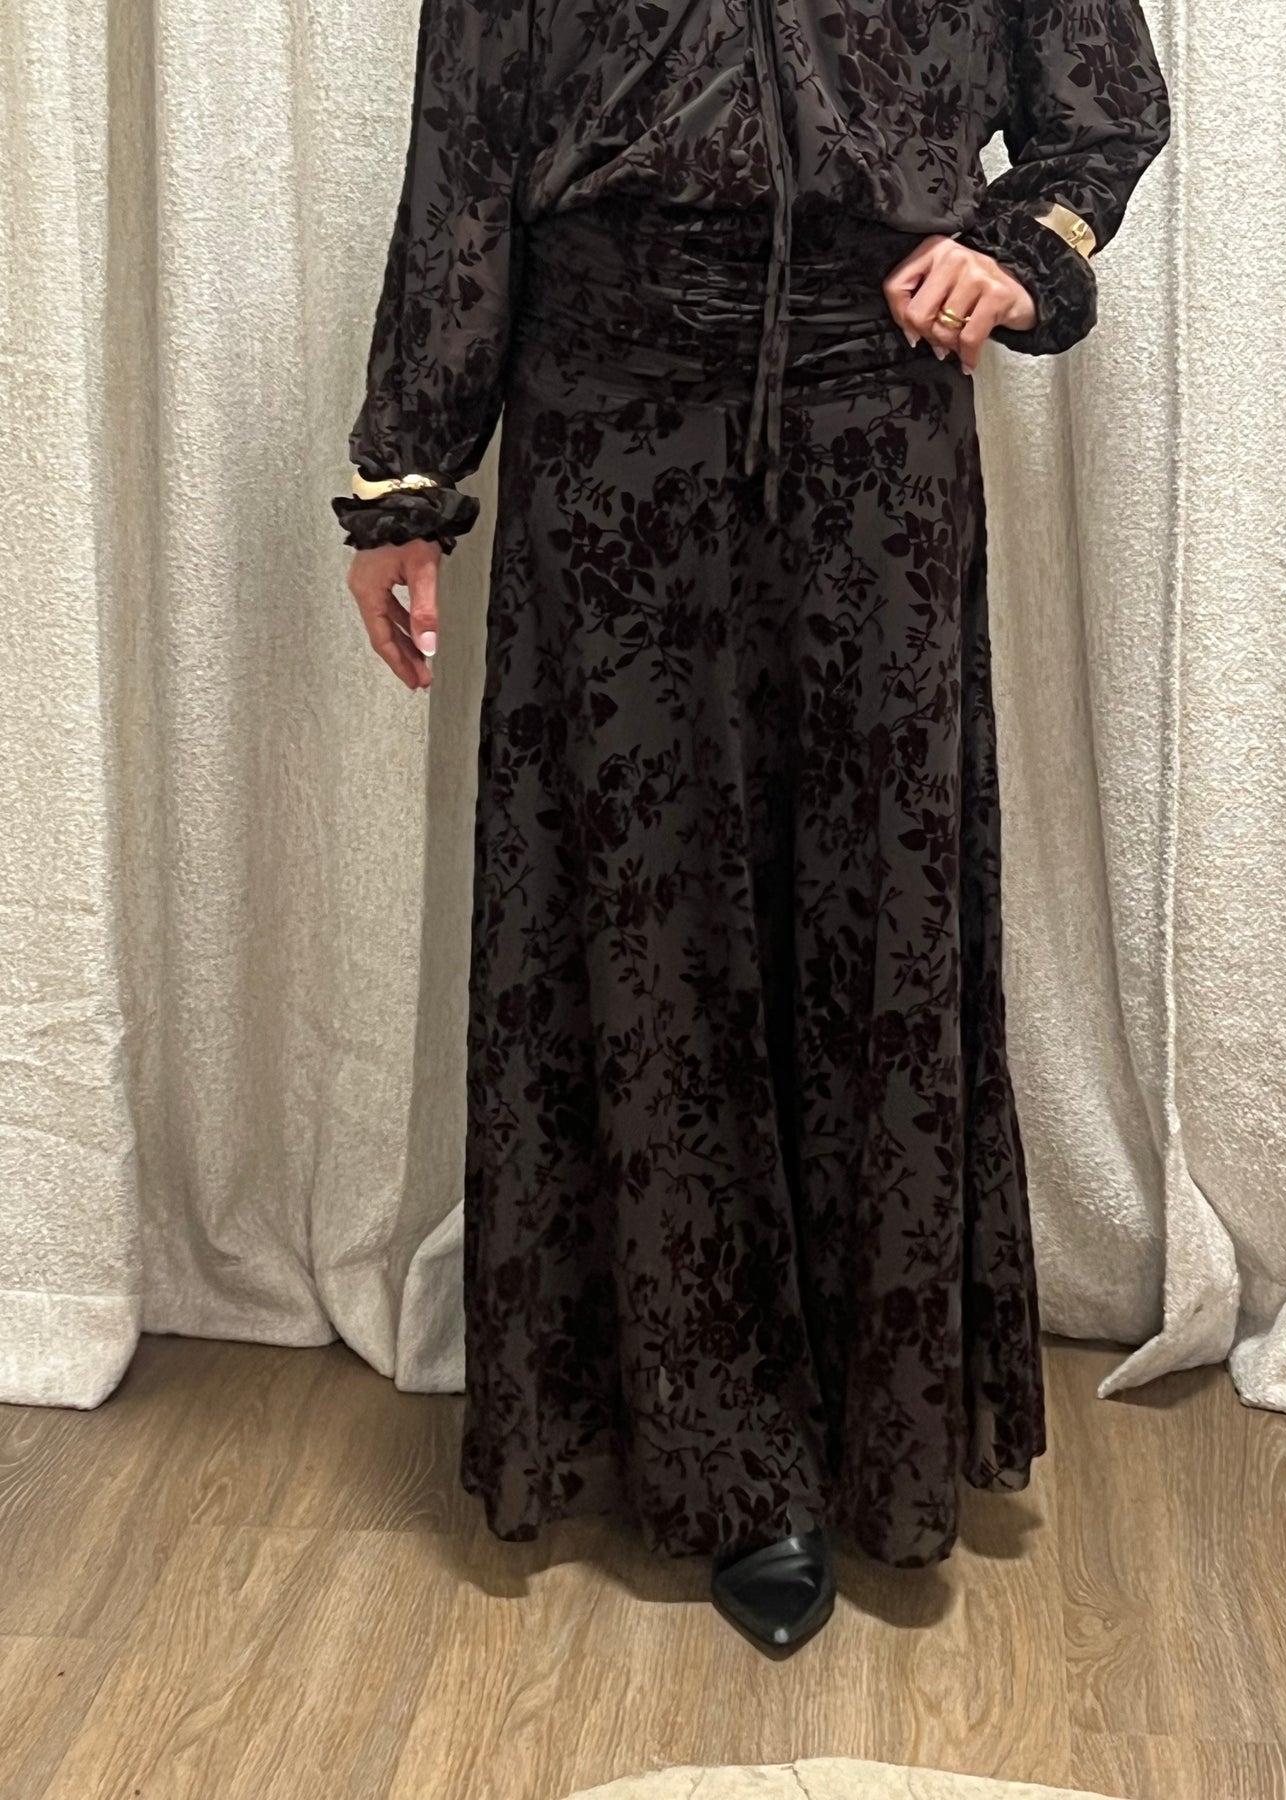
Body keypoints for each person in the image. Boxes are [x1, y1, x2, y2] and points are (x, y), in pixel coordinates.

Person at [332, 0, 1171, 1655]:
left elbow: (1100, 110)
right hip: (608, 419)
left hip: (875, 422)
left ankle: (878, 1425)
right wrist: (404, 479)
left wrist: (1014, 250)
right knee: (650, 928)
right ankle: (713, 1458)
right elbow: (467, 158)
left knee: (874, 914)